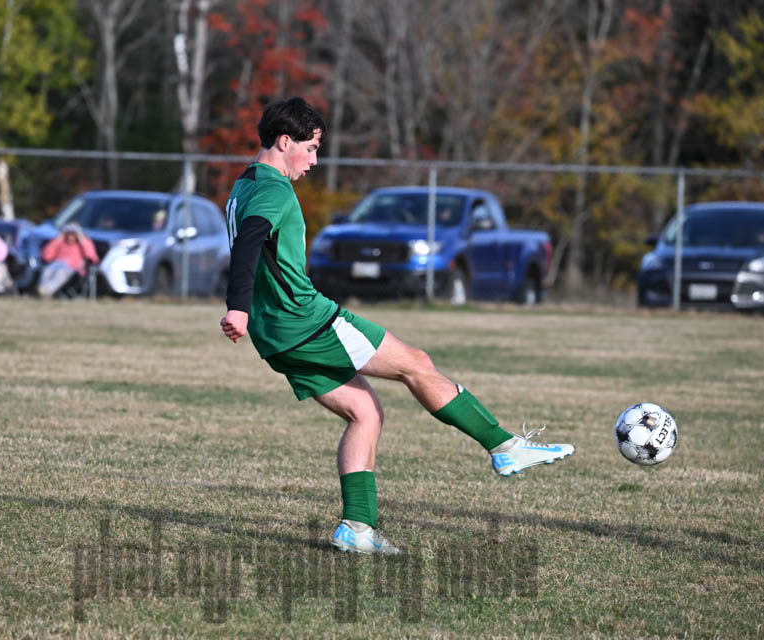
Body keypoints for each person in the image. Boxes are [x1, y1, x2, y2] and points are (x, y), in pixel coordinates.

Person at [219, 97, 574, 555]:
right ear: (284, 142)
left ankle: (357, 528)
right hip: (305, 321)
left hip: (276, 336)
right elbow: (249, 242)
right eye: (310, 149)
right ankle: (504, 447)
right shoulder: (274, 190)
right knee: (416, 364)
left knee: (365, 413)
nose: (314, 161)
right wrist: (237, 306)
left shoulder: (244, 184)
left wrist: (246, 310)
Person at [36, 223, 99, 298]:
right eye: (68, 234)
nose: (70, 237)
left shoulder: (84, 243)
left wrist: (83, 240)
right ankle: (41, 289)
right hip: (56, 265)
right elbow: (46, 256)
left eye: (73, 234)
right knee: (47, 270)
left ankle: (46, 291)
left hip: (73, 268)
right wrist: (57, 240)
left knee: (61, 273)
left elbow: (92, 257)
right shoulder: (60, 242)